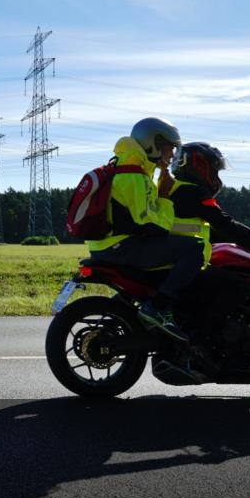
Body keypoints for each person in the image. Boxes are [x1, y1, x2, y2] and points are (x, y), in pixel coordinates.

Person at [85, 117, 204, 345]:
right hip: (120, 246)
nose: (171, 154)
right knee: (193, 248)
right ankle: (158, 308)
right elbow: (150, 225)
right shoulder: (134, 175)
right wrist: (165, 197)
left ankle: (130, 309)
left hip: (110, 244)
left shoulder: (130, 167)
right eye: (168, 147)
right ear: (153, 144)